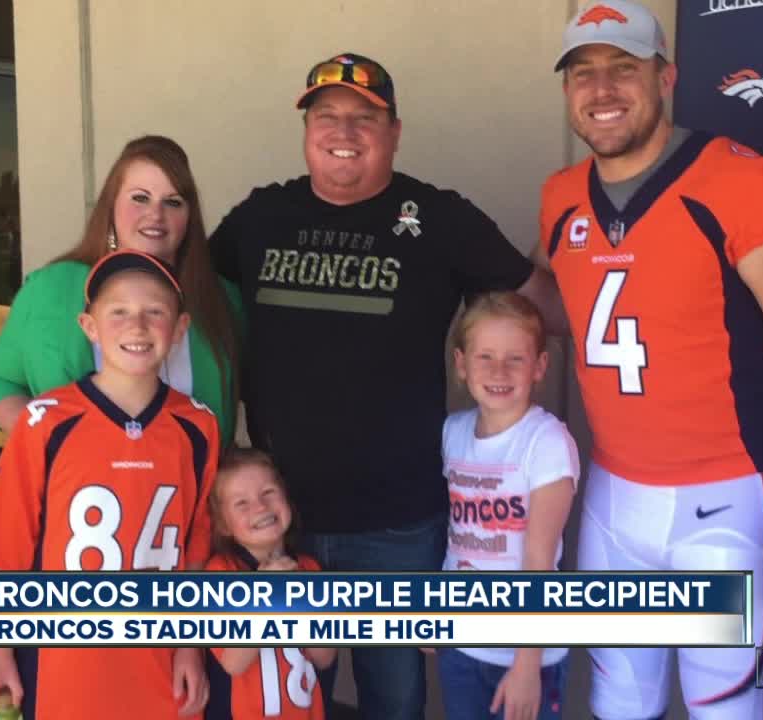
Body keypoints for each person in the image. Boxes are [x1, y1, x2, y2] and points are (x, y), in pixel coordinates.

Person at [209, 52, 562, 720]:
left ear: (394, 131)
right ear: (307, 130)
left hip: (396, 524)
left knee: (393, 700)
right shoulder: (260, 217)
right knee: (283, 692)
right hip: (280, 520)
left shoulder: (438, 218)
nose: (344, 129)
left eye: (364, 117)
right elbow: (179, 297)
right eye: (326, 116)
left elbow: (539, 305)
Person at [538, 2, 763, 719]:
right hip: (612, 500)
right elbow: (582, 310)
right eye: (584, 73)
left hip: (724, 501)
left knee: (722, 705)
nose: (603, 88)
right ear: (567, 92)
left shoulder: (738, 184)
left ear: (667, 77)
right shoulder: (561, 198)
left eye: (625, 67)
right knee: (618, 700)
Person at [0, 250, 218, 719]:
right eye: (118, 312)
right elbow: (8, 547)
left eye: (154, 312)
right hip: (65, 658)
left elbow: (194, 548)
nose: (136, 326)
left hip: (158, 656)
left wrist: (191, 647)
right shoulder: (45, 422)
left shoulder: (197, 427)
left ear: (179, 329)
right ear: (90, 327)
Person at [0, 135, 240, 447]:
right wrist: (50, 439)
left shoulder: (222, 298)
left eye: (173, 202)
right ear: (111, 205)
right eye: (140, 198)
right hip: (77, 489)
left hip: (193, 491)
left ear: (189, 217)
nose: (155, 214)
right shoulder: (51, 288)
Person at [437, 292, 578, 720]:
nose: (499, 371)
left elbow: (539, 561)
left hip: (522, 653)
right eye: (485, 357)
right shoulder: (453, 432)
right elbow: (458, 537)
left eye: (515, 359)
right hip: (462, 642)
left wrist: (527, 662)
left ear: (539, 366)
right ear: (461, 364)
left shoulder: (546, 441)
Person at [204, 448, 337, 720]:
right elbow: (233, 661)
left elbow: (325, 657)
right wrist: (268, 593)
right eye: (241, 503)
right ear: (223, 525)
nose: (261, 507)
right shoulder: (219, 574)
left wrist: (303, 599)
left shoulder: (310, 569)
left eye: (268, 493)